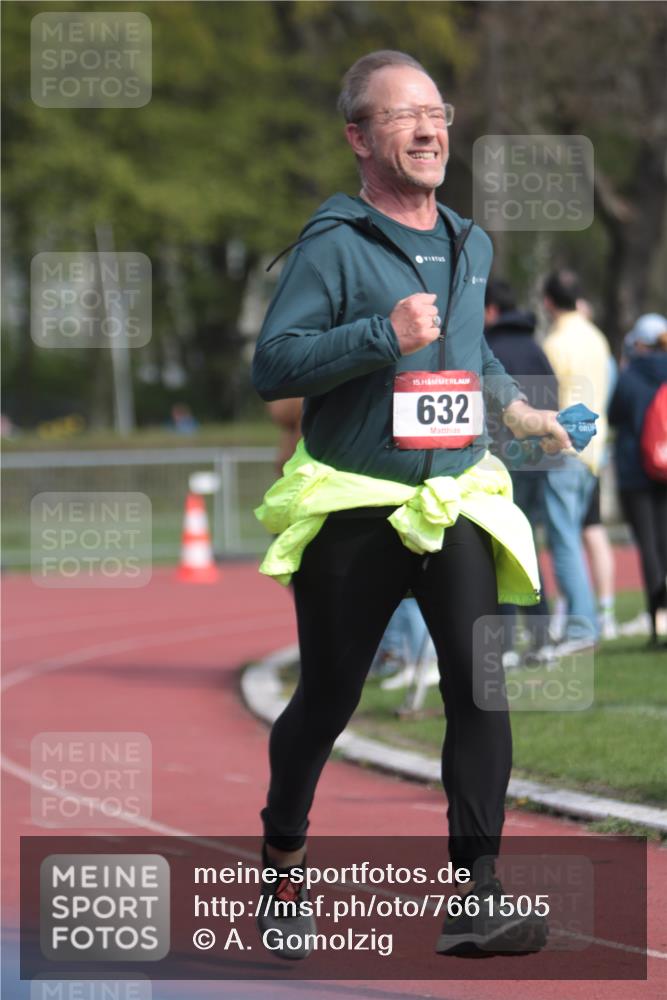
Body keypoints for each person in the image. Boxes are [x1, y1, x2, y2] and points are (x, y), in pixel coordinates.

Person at [252, 49, 571, 958]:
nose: (430, 129)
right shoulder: (334, 244)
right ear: (359, 137)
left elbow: (470, 363)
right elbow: (272, 366)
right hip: (357, 502)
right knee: (327, 699)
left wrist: (517, 410)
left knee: (481, 689)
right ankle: (282, 862)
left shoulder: (472, 242)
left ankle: (474, 895)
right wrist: (377, 334)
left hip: (453, 496)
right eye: (404, 117)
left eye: (437, 111)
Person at [483, 279, 556, 659]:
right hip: (536, 463)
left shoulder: (488, 351)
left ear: (490, 309)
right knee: (527, 548)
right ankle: (542, 641)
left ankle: (506, 644)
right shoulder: (536, 348)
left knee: (498, 553)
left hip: (498, 467)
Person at [541, 270, 611, 649]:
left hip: (564, 450)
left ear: (549, 302)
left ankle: (581, 628)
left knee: (563, 539)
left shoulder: (555, 342)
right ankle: (585, 622)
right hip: (592, 451)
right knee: (574, 537)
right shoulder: (596, 337)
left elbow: (545, 398)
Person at [608, 313, 667, 646]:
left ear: (639, 343)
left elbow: (615, 414)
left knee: (649, 548)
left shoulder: (631, 375)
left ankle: (657, 626)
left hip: (636, 471)